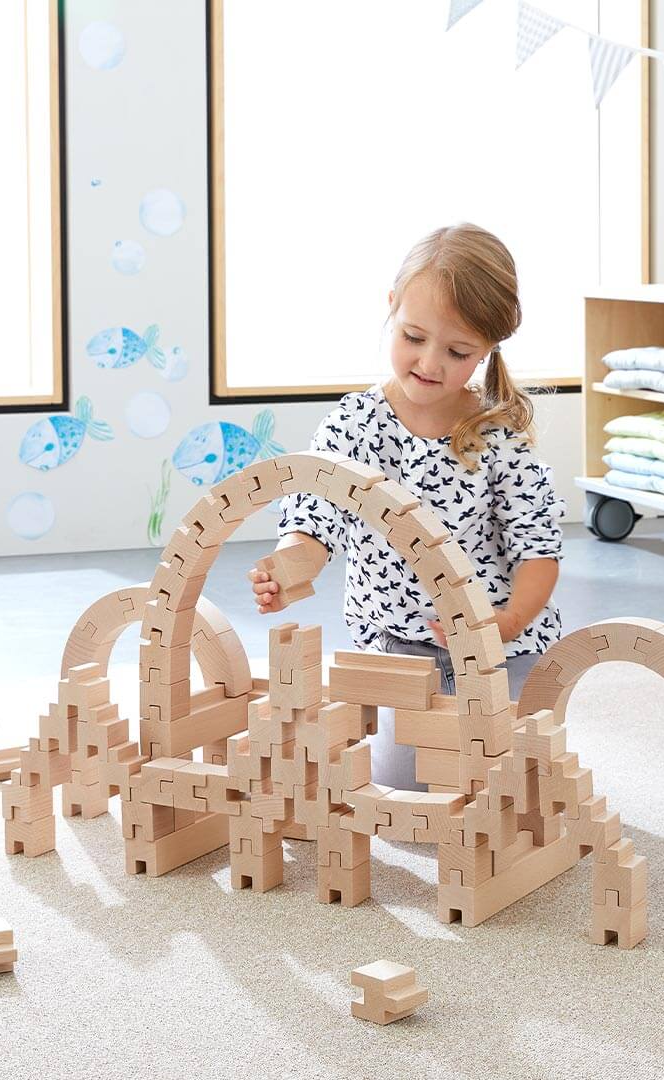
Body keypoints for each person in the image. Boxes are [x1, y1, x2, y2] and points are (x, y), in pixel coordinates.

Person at [248, 223, 565, 790]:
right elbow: (314, 518)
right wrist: (289, 565)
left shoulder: (497, 433)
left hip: (500, 650)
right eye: (413, 337)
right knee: (403, 792)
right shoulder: (354, 423)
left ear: (488, 349)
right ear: (390, 308)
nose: (430, 362)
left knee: (513, 790)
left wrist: (508, 623)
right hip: (396, 653)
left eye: (458, 351)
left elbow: (538, 551)